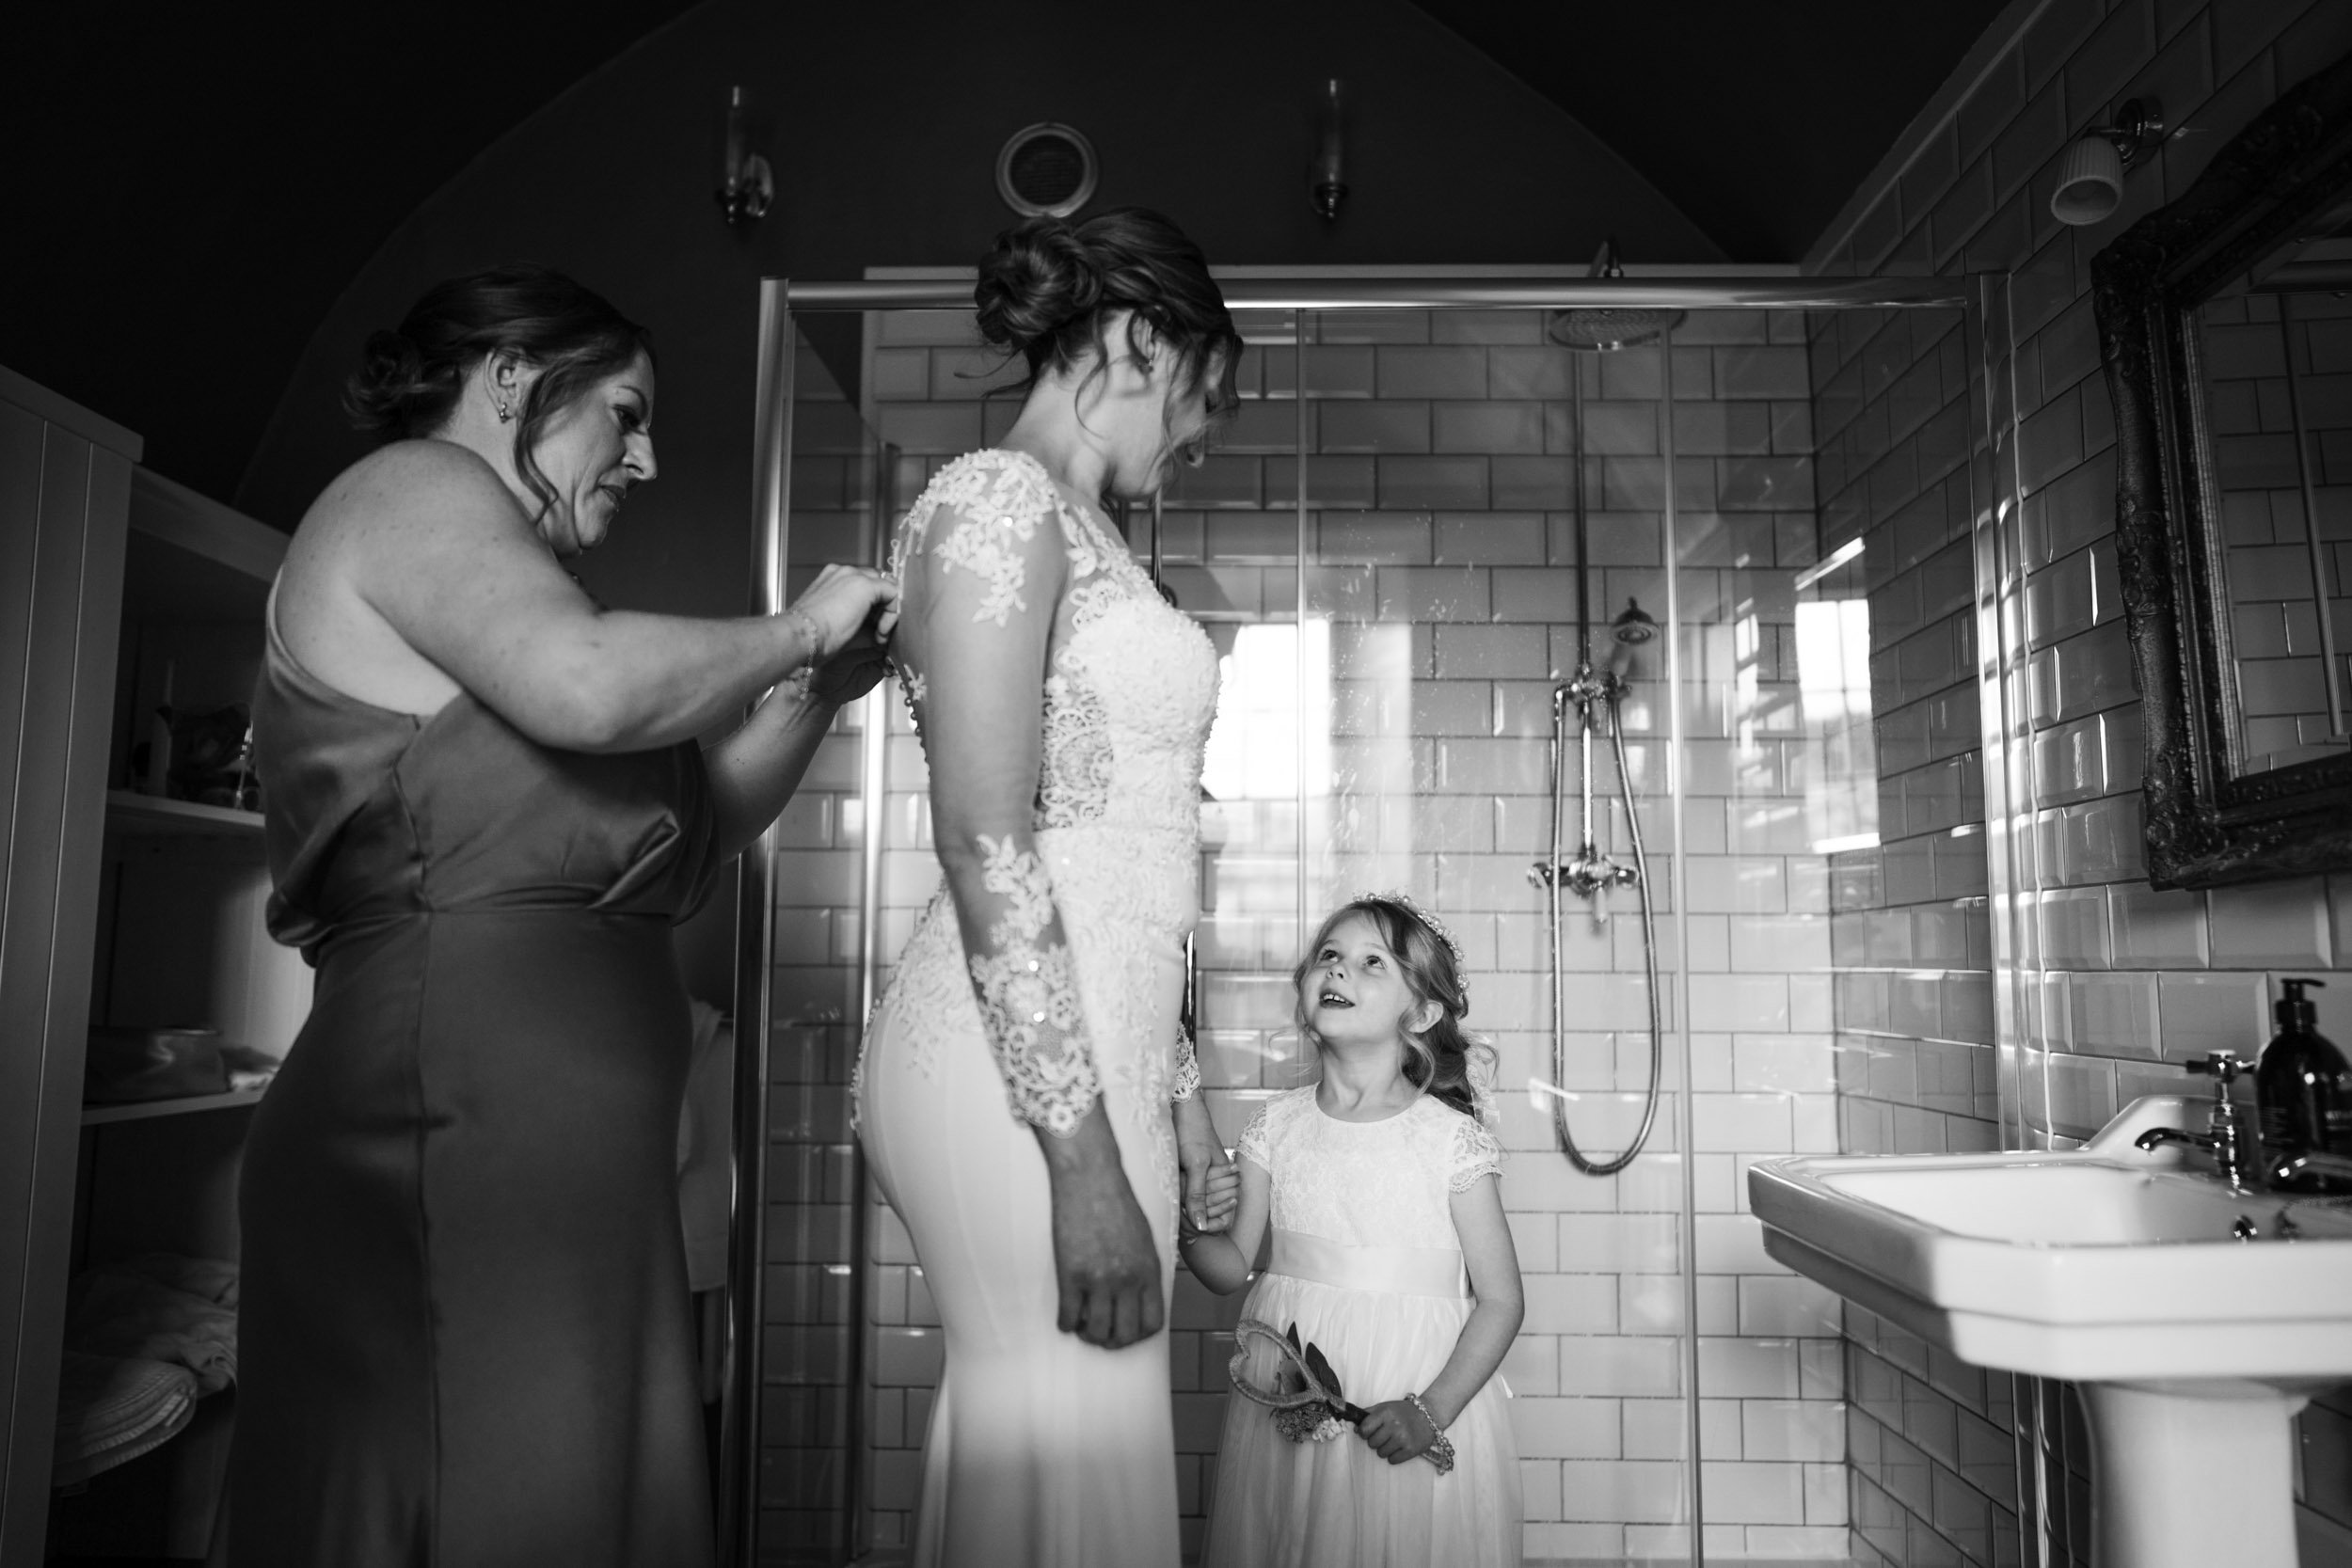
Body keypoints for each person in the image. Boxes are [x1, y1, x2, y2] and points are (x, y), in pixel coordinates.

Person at [228, 263, 898, 1567]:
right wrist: (796, 620)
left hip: (546, 1157)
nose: (644, 458)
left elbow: (692, 838)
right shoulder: (415, 492)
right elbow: (588, 687)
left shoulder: (510, 595)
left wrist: (821, 681)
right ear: (511, 379)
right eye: (626, 413)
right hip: (443, 1123)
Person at [851, 207, 1245, 1568]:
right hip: (1011, 1079)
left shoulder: (1096, 532)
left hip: (1104, 1053)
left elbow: (1141, 859)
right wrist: (1083, 1161)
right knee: (1059, 1438)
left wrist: (1179, 1101)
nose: (1204, 435)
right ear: (1140, 338)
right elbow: (987, 840)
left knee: (1088, 1445)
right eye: (1207, 393)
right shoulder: (996, 504)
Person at [1184, 895, 1526, 1568]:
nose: (1339, 970)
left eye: (1373, 963)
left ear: (1422, 1012)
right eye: (1330, 956)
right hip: (1293, 1385)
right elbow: (1229, 1265)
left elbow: (1502, 1300)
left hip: (1414, 1387)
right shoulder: (1274, 1127)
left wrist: (1430, 1410)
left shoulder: (1448, 1139)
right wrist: (1188, 1223)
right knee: (1296, 1537)